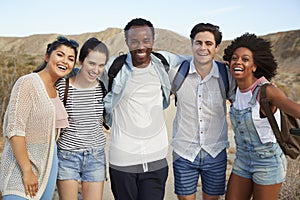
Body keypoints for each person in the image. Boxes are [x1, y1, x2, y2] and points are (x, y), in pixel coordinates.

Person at [101, 18, 188, 200]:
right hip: (122, 161)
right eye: (134, 41)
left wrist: (222, 66)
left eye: (146, 40)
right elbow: (87, 77)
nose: (140, 46)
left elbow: (193, 62)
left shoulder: (163, 61)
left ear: (153, 40)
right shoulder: (113, 67)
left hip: (156, 160)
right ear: (127, 42)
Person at [223, 33, 300, 200]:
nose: (238, 62)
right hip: (242, 160)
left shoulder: (267, 91)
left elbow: (297, 109)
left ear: (254, 66)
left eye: (245, 59)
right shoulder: (234, 90)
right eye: (235, 58)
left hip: (268, 162)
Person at [0, 36, 78, 199]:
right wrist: (27, 171)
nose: (65, 61)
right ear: (47, 56)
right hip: (22, 166)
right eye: (60, 55)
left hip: (49, 163)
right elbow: (15, 130)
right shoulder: (28, 82)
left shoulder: (56, 90)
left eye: (71, 58)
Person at [169, 23, 236, 200]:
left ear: (216, 47)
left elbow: (243, 99)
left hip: (215, 151)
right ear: (192, 44)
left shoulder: (226, 74)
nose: (203, 48)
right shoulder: (176, 73)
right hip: (184, 152)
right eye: (198, 43)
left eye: (208, 43)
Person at [55, 37, 109, 200]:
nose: (96, 70)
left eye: (101, 65)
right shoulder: (62, 86)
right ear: (81, 60)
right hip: (67, 156)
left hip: (95, 156)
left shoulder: (102, 87)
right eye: (91, 63)